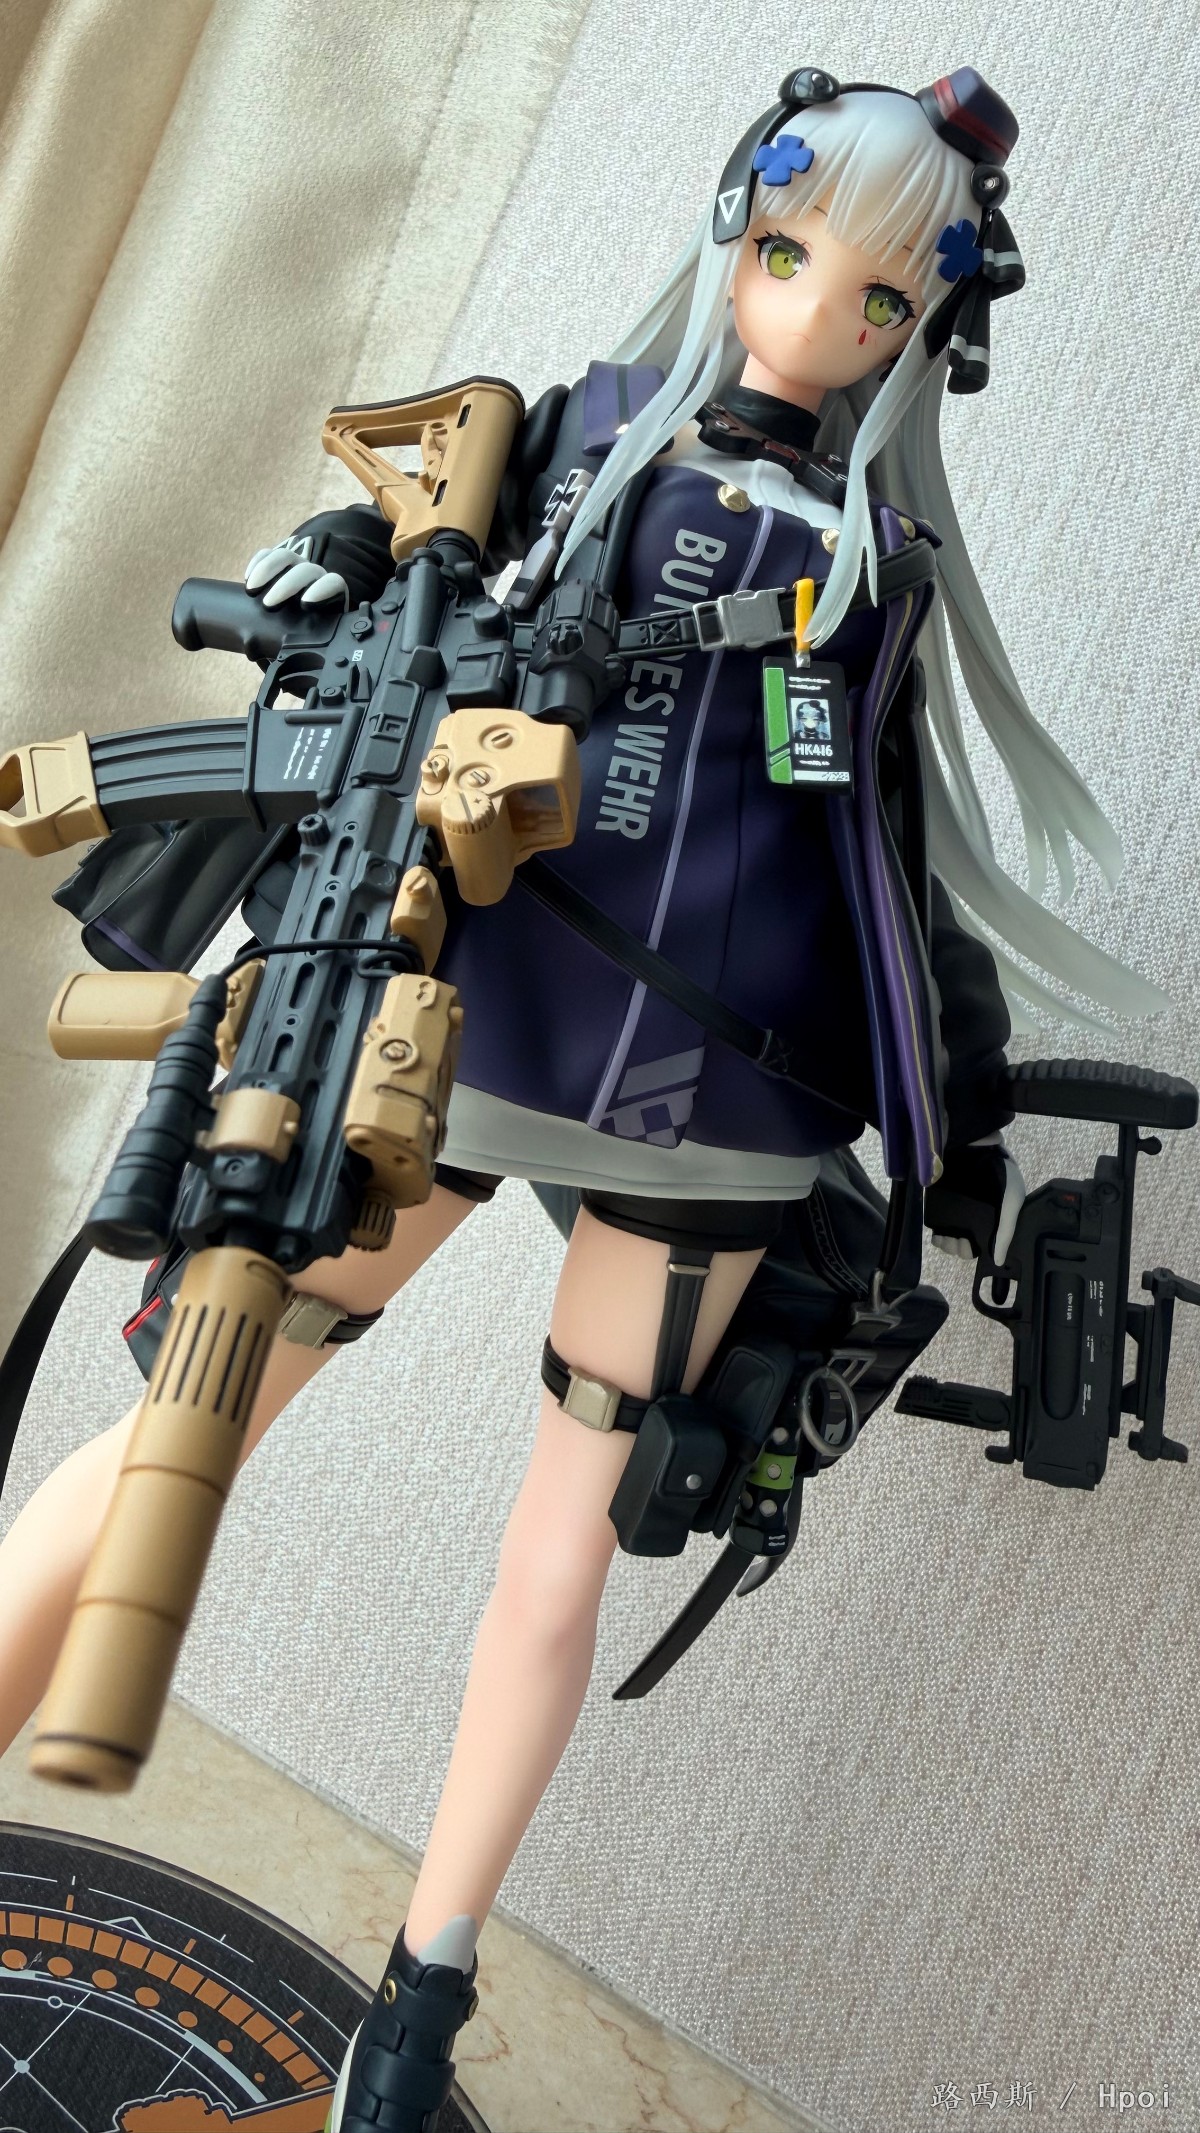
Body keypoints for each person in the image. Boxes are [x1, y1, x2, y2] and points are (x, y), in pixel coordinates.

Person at [0, 66, 1164, 2133]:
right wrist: (333, 583)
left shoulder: (857, 563)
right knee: (194, 1403)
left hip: (702, 1091)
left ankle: (417, 1999)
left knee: (554, 1539)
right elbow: (368, 581)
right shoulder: (560, 445)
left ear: (926, 328)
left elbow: (873, 859)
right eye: (787, 255)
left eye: (877, 301)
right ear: (733, 231)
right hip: (466, 1028)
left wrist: (956, 1114)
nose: (811, 318)